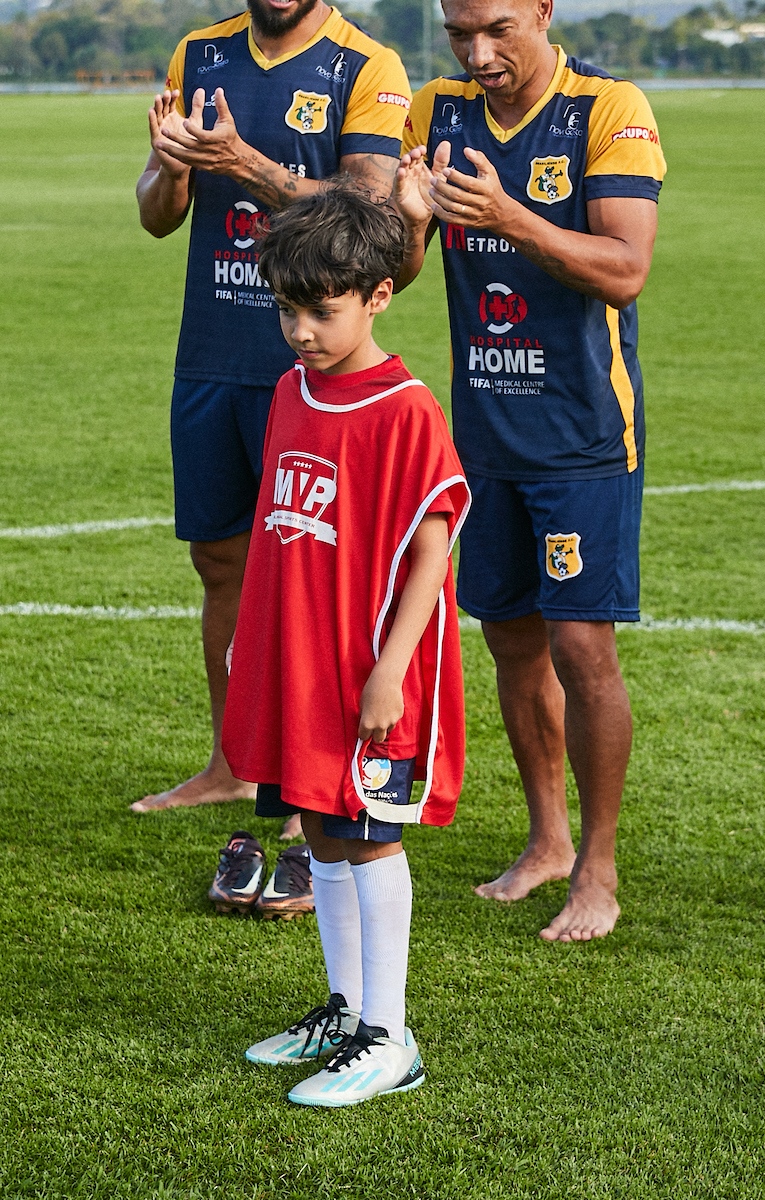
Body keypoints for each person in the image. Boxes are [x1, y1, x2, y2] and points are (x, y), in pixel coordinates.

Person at [393, 0, 666, 942]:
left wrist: (510, 216)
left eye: (499, 30)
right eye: (459, 34)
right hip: (486, 431)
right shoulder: (436, 111)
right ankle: (546, 841)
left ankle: (598, 868)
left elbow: (625, 267)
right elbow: (407, 261)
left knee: (581, 648)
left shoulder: (607, 108)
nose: (478, 54)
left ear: (544, 11)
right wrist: (408, 214)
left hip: (585, 433)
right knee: (508, 636)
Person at [221, 187, 470, 1106]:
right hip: (298, 659)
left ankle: (388, 1035)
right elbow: (278, 528)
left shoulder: (405, 410)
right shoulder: (292, 390)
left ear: (377, 296)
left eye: (320, 311)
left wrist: (391, 670)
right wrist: (255, 638)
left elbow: (435, 544)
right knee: (322, 829)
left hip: (367, 667)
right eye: (287, 309)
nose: (299, 330)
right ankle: (342, 1005)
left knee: (369, 839)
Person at [132, 0, 411, 815]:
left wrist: (244, 161)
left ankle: (315, 771)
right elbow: (157, 216)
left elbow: (371, 213)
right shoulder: (200, 52)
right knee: (219, 564)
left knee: (313, 571)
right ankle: (232, 764)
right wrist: (174, 165)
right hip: (212, 357)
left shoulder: (367, 65)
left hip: (314, 364)